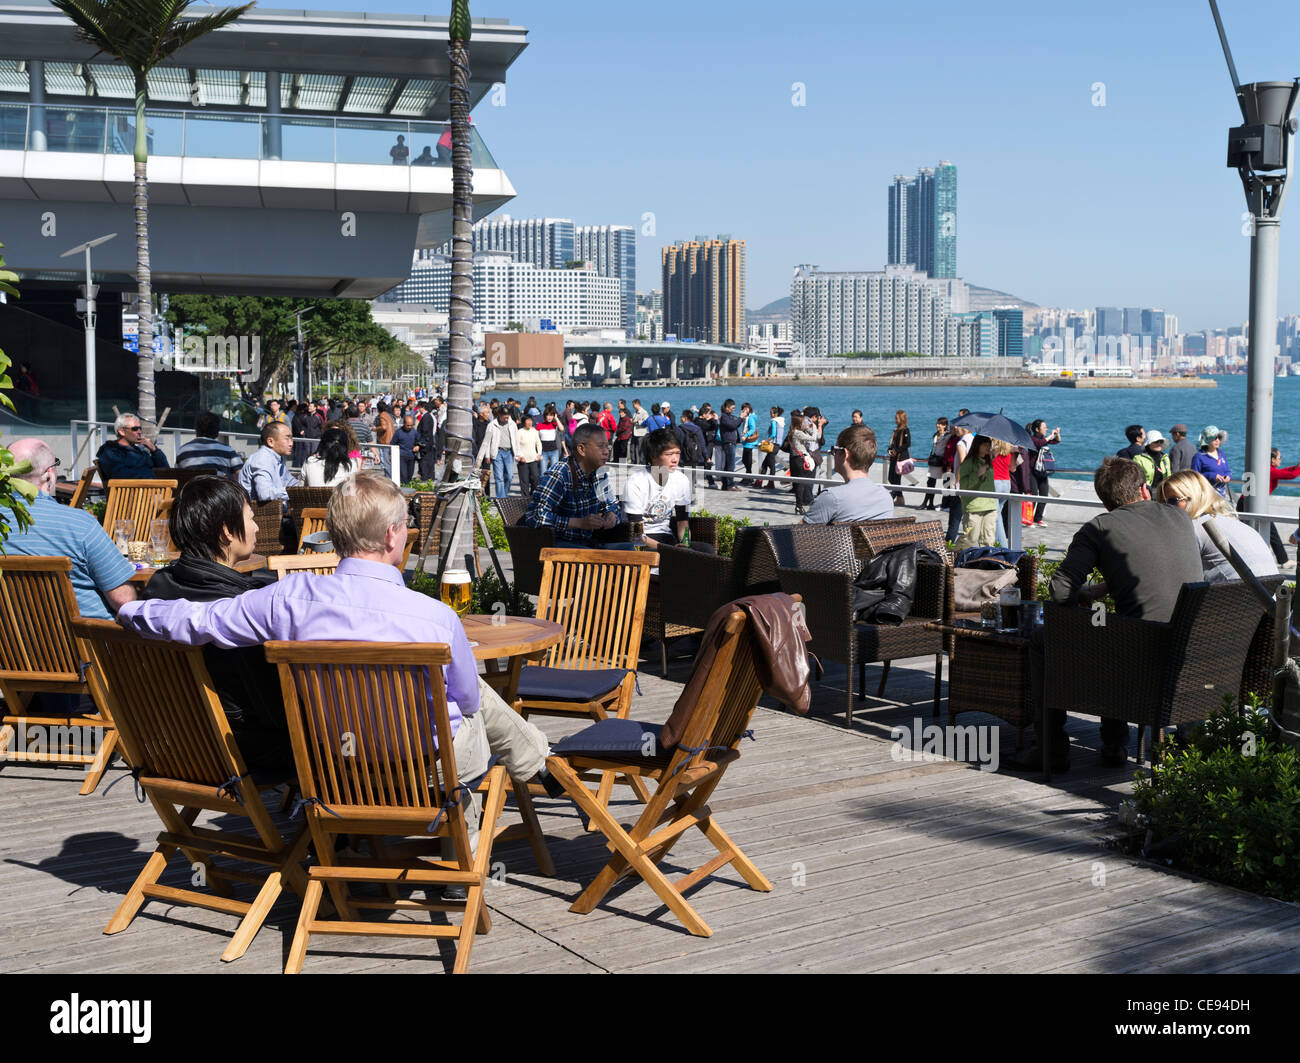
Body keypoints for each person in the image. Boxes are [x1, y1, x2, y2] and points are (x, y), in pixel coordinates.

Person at [116, 473, 564, 847]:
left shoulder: (289, 598)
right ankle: (523, 781)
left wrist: (132, 609)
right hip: (424, 770)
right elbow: (465, 703)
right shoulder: (436, 618)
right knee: (473, 706)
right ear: (392, 534)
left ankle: (538, 760)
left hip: (331, 765)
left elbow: (202, 620)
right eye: (406, 526)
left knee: (466, 703)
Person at [1015, 457, 1203, 771]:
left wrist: (1086, 592)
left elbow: (1060, 591)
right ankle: (1116, 745)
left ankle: (1054, 748)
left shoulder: (1100, 527)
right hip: (1191, 647)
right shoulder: (1179, 517)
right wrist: (1105, 588)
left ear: (1104, 501)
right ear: (1145, 489)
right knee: (1115, 628)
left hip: (1138, 657)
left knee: (1042, 640)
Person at [141, 476, 287, 768]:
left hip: (178, 746)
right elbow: (272, 708)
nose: (257, 527)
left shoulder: (157, 589)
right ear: (226, 532)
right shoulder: (238, 608)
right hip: (243, 751)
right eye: (251, 518)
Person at [0, 439, 136, 619]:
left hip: (13, 643)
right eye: (55, 464)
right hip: (89, 643)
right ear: (49, 474)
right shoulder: (80, 524)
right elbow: (123, 600)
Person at [1158, 470, 1277, 583]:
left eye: (1172, 501)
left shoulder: (1192, 529)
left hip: (1232, 601)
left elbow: (1174, 577)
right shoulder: (1237, 525)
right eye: (1161, 503)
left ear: (1195, 498)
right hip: (1269, 599)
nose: (1165, 508)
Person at [524, 422, 622, 548]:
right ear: (582, 449)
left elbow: (613, 505)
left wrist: (612, 515)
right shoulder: (559, 474)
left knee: (631, 553)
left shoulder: (600, 474)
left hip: (590, 543)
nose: (606, 452)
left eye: (607, 446)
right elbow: (535, 516)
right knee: (593, 561)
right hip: (560, 547)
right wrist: (579, 523)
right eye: (600, 446)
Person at [803, 425, 894, 524]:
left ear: (845, 454)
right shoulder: (885, 497)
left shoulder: (832, 498)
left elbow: (798, 535)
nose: (834, 453)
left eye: (835, 449)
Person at [624, 428, 694, 548]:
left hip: (666, 536)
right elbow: (637, 534)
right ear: (653, 456)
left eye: (677, 453)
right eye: (669, 454)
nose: (675, 459)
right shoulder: (636, 482)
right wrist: (667, 550)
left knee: (706, 550)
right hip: (641, 541)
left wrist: (685, 545)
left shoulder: (681, 480)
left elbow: (683, 522)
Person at [95, 411, 170, 484]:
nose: (139, 432)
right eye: (135, 429)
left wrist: (154, 449)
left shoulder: (139, 451)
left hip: (150, 490)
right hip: (131, 494)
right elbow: (120, 475)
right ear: (122, 431)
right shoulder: (110, 452)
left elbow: (165, 471)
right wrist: (151, 479)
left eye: (140, 428)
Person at [238, 421, 298, 506]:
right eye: (287, 438)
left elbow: (291, 482)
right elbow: (264, 494)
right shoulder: (262, 459)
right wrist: (295, 492)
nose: (291, 443)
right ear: (270, 442)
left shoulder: (276, 459)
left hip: (278, 513)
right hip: (259, 516)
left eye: (291, 438)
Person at [956, 435, 998, 548]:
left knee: (988, 540)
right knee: (970, 538)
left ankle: (985, 562)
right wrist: (977, 474)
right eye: (985, 445)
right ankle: (952, 556)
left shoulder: (989, 462)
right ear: (977, 445)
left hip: (990, 505)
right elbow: (963, 485)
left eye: (989, 445)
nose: (988, 447)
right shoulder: (968, 462)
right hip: (973, 505)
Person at [175, 411, 243, 475]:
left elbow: (177, 476)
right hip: (218, 486)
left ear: (196, 429)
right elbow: (240, 475)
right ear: (217, 430)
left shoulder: (182, 451)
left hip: (193, 487)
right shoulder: (228, 451)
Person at [476, 404, 520, 499]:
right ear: (499, 415)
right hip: (497, 452)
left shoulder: (512, 424)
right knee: (499, 477)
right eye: (504, 417)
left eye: (507, 417)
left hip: (509, 452)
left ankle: (504, 493)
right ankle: (501, 498)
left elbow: (516, 439)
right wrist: (487, 455)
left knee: (510, 476)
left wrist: (518, 453)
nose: (506, 419)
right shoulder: (491, 425)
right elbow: (487, 441)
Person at [1026, 419, 1060, 526]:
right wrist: (1050, 435)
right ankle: (1029, 519)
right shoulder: (1032, 439)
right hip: (1033, 471)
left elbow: (1057, 441)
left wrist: (1057, 434)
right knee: (1034, 495)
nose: (1046, 429)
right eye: (1044, 427)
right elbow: (1041, 443)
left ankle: (1038, 518)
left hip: (1043, 471)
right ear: (1037, 429)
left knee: (1044, 495)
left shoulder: (1044, 439)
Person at [787, 410, 818, 516]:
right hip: (801, 459)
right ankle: (799, 506)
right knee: (802, 483)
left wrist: (805, 429)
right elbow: (813, 438)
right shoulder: (797, 432)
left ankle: (799, 505)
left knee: (798, 483)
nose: (803, 423)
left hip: (795, 458)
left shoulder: (791, 432)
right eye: (802, 422)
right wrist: (814, 427)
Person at [1192, 425, 1232, 498]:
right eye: (1214, 438)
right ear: (1207, 440)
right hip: (1206, 496)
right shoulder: (1199, 456)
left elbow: (1227, 470)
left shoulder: (1221, 453)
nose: (1217, 440)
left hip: (1222, 495)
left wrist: (1228, 476)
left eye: (1219, 437)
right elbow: (1194, 477)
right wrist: (1212, 476)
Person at [922, 416, 950, 511]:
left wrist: (974, 433)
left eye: (941, 424)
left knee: (947, 483)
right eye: (937, 423)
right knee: (930, 482)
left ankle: (946, 504)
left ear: (945, 425)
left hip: (944, 462)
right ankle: (928, 502)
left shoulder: (948, 436)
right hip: (935, 461)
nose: (938, 425)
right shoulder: (936, 435)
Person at [886, 410, 911, 505]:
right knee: (891, 478)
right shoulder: (896, 430)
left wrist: (896, 450)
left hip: (900, 458)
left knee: (896, 478)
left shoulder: (905, 430)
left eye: (896, 418)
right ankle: (899, 498)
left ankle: (894, 496)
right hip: (894, 457)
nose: (895, 419)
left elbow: (907, 444)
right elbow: (892, 442)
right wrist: (890, 449)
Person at [716, 399, 742, 491]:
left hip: (731, 442)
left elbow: (734, 425)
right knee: (730, 465)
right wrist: (740, 418)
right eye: (732, 408)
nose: (733, 410)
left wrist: (740, 419)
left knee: (727, 465)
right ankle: (730, 484)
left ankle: (725, 484)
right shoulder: (724, 417)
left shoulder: (728, 416)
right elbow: (732, 426)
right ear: (727, 408)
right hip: (728, 443)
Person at [758, 406, 785, 489]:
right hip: (778, 445)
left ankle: (769, 482)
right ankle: (761, 481)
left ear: (775, 414)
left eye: (771, 412)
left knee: (770, 464)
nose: (770, 414)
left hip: (773, 445)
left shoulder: (774, 421)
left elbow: (773, 434)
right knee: (766, 464)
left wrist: (766, 441)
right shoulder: (781, 422)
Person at [515, 414, 542, 498]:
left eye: (531, 420)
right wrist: (520, 456)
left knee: (536, 478)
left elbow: (538, 444)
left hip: (533, 459)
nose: (530, 422)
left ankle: (532, 495)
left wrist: (539, 454)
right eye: (528, 421)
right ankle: (525, 498)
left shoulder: (534, 431)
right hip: (523, 460)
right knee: (524, 481)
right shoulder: (519, 432)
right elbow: (516, 446)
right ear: (524, 422)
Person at [538, 404, 563, 479]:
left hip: (554, 451)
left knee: (554, 473)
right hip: (543, 452)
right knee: (543, 473)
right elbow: (537, 439)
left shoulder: (554, 424)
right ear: (545, 416)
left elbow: (562, 429)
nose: (549, 417)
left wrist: (556, 418)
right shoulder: (540, 425)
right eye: (548, 415)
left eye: (551, 415)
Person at [696, 404, 719, 486]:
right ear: (704, 414)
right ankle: (711, 482)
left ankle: (698, 481)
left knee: (700, 463)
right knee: (707, 462)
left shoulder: (696, 421)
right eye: (708, 414)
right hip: (705, 445)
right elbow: (713, 426)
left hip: (698, 445)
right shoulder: (702, 423)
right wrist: (714, 419)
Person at [739, 402, 760, 487]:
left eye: (746, 409)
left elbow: (752, 429)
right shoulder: (746, 417)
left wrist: (746, 435)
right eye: (743, 409)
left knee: (747, 460)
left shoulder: (750, 417)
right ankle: (748, 476)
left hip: (749, 442)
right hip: (746, 442)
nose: (744, 410)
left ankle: (749, 477)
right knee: (745, 460)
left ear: (749, 409)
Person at [394, 414, 419, 483]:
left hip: (411, 455)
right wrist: (391, 455)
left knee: (410, 474)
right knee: (403, 475)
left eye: (411, 425)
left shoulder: (414, 432)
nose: (409, 427)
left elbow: (419, 441)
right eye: (408, 425)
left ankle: (408, 486)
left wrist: (417, 446)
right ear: (404, 424)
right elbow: (393, 443)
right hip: (401, 455)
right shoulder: (398, 432)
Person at [630, 398, 650, 464]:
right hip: (634, 433)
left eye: (633, 405)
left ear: (637, 404)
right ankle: (633, 462)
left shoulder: (644, 412)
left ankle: (642, 463)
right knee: (632, 449)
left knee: (640, 450)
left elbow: (646, 422)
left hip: (641, 434)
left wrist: (637, 422)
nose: (633, 406)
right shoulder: (635, 413)